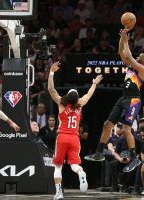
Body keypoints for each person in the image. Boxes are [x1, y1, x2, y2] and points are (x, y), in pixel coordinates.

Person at [85, 28, 144, 173]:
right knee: (107, 124)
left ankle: (134, 158)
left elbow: (130, 57)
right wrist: (122, 38)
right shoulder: (130, 68)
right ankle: (99, 152)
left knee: (127, 128)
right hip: (123, 98)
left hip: (133, 100)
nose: (138, 57)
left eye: (140, 56)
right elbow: (122, 53)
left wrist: (126, 41)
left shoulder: (142, 70)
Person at [48, 62, 103, 200]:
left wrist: (51, 72)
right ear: (77, 98)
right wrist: (94, 83)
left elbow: (51, 89)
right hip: (74, 138)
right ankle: (81, 173)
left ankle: (59, 193)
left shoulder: (61, 103)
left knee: (58, 167)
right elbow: (89, 94)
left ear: (67, 97)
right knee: (74, 164)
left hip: (62, 137)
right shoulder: (81, 104)